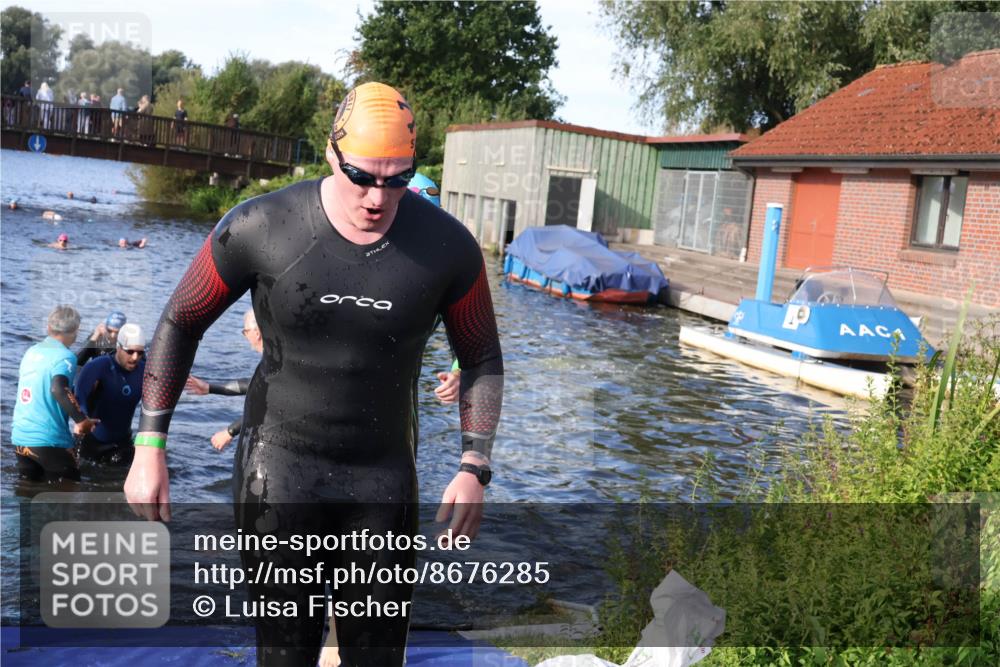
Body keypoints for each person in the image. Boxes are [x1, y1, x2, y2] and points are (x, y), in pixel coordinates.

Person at [124, 81, 503, 667]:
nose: (379, 197)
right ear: (332, 154)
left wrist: (474, 464)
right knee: (286, 655)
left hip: (382, 482)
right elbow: (179, 321)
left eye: (397, 179)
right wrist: (149, 445)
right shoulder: (261, 226)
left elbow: (479, 355)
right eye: (363, 177)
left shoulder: (447, 247)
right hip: (276, 475)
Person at [10, 305, 99, 481]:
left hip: (20, 439)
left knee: (28, 495)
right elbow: (58, 388)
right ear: (75, 332)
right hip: (49, 441)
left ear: (48, 328)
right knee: (69, 493)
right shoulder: (65, 357)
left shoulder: (31, 351)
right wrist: (82, 421)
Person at [74, 323, 145, 465]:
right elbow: (79, 396)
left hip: (122, 443)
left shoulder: (144, 369)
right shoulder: (99, 366)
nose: (135, 357)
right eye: (130, 351)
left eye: (140, 352)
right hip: (92, 441)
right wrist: (82, 420)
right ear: (118, 347)